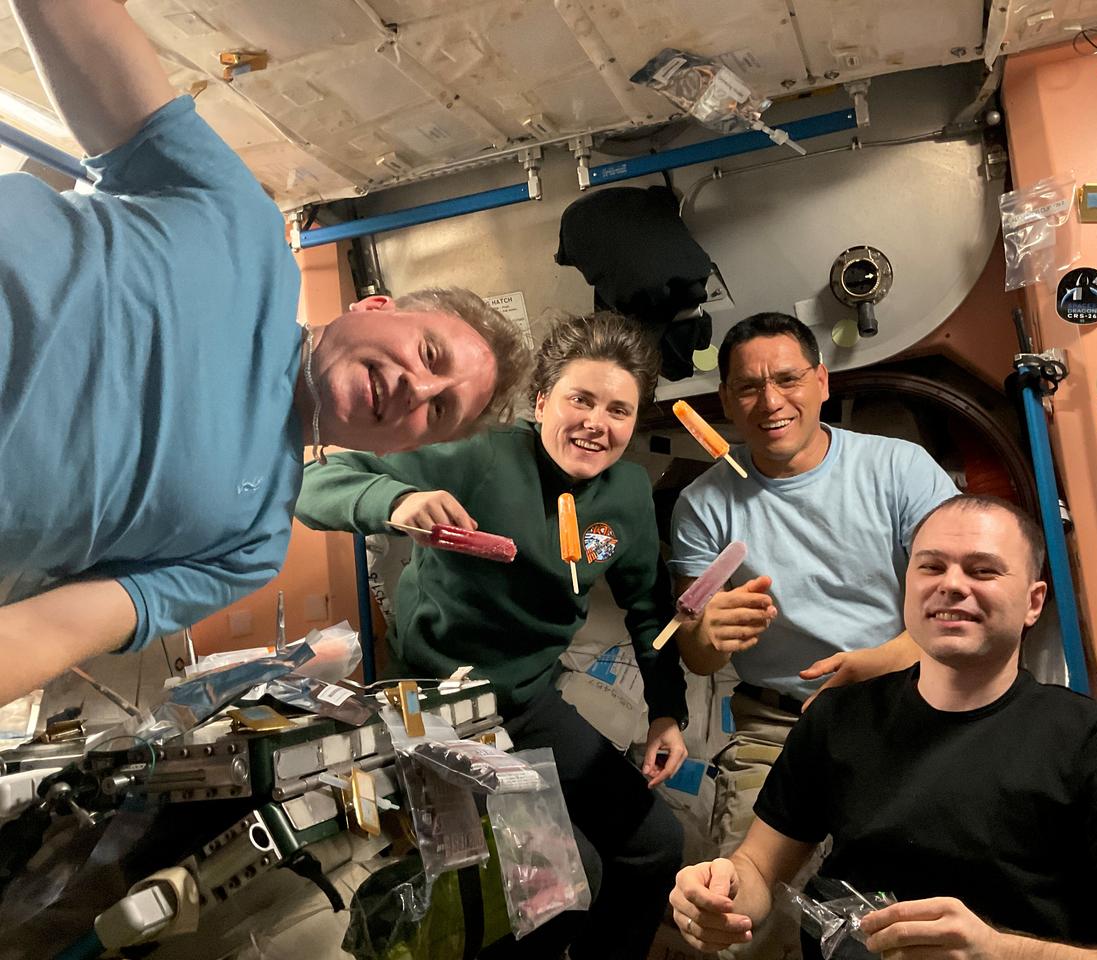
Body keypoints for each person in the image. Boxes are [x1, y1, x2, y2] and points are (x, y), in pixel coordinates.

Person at [0, 0, 529, 707]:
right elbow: (87, 37)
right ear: (374, 307)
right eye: (430, 353)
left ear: (405, 449)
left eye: (438, 413)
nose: (416, 391)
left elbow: (48, 632)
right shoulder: (244, 225)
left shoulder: (248, 546)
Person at [295, 312, 688, 959]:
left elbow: (650, 607)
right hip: (433, 708)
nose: (597, 422)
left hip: (529, 701)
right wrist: (396, 505)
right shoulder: (479, 452)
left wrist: (667, 710)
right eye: (580, 399)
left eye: (619, 409)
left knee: (656, 846)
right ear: (541, 401)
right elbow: (315, 484)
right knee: (559, 882)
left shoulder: (627, 495)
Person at [670, 495, 1097, 960]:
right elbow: (759, 873)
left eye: (983, 570)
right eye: (931, 567)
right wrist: (720, 893)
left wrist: (1000, 951)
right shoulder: (837, 719)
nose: (951, 586)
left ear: (1033, 603)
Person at [668, 312, 958, 856]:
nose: (770, 401)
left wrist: (879, 662)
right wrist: (710, 636)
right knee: (740, 913)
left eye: (787, 379)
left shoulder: (899, 469)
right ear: (727, 403)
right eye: (748, 388)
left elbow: (960, 607)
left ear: (821, 381)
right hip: (777, 728)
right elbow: (696, 653)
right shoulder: (703, 506)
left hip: (907, 702)